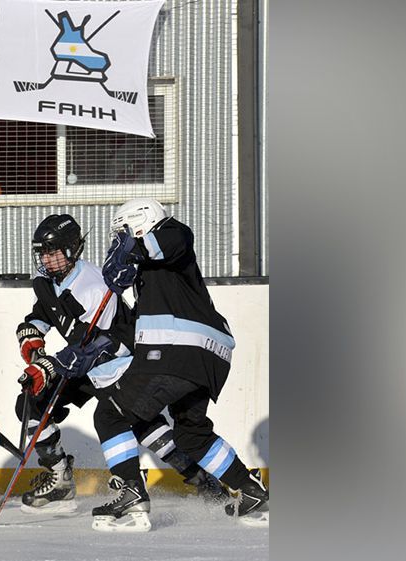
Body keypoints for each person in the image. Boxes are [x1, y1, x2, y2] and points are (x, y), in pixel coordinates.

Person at [58, 197, 269, 531]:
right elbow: (132, 331)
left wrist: (132, 250)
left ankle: (131, 495)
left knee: (111, 413)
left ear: (140, 222)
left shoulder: (171, 232)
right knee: (191, 435)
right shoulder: (153, 280)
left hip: (177, 349)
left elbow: (167, 242)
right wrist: (97, 349)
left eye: (121, 232)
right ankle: (250, 490)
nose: (117, 241)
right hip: (207, 357)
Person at [15, 214, 225, 515]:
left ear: (72, 250)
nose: (46, 260)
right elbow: (43, 313)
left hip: (116, 363)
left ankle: (200, 478)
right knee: (31, 402)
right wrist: (32, 338)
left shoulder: (90, 287)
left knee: (145, 427)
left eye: (52, 252)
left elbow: (91, 346)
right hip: (84, 365)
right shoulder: (51, 282)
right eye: (42, 253)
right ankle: (59, 477)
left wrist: (49, 366)